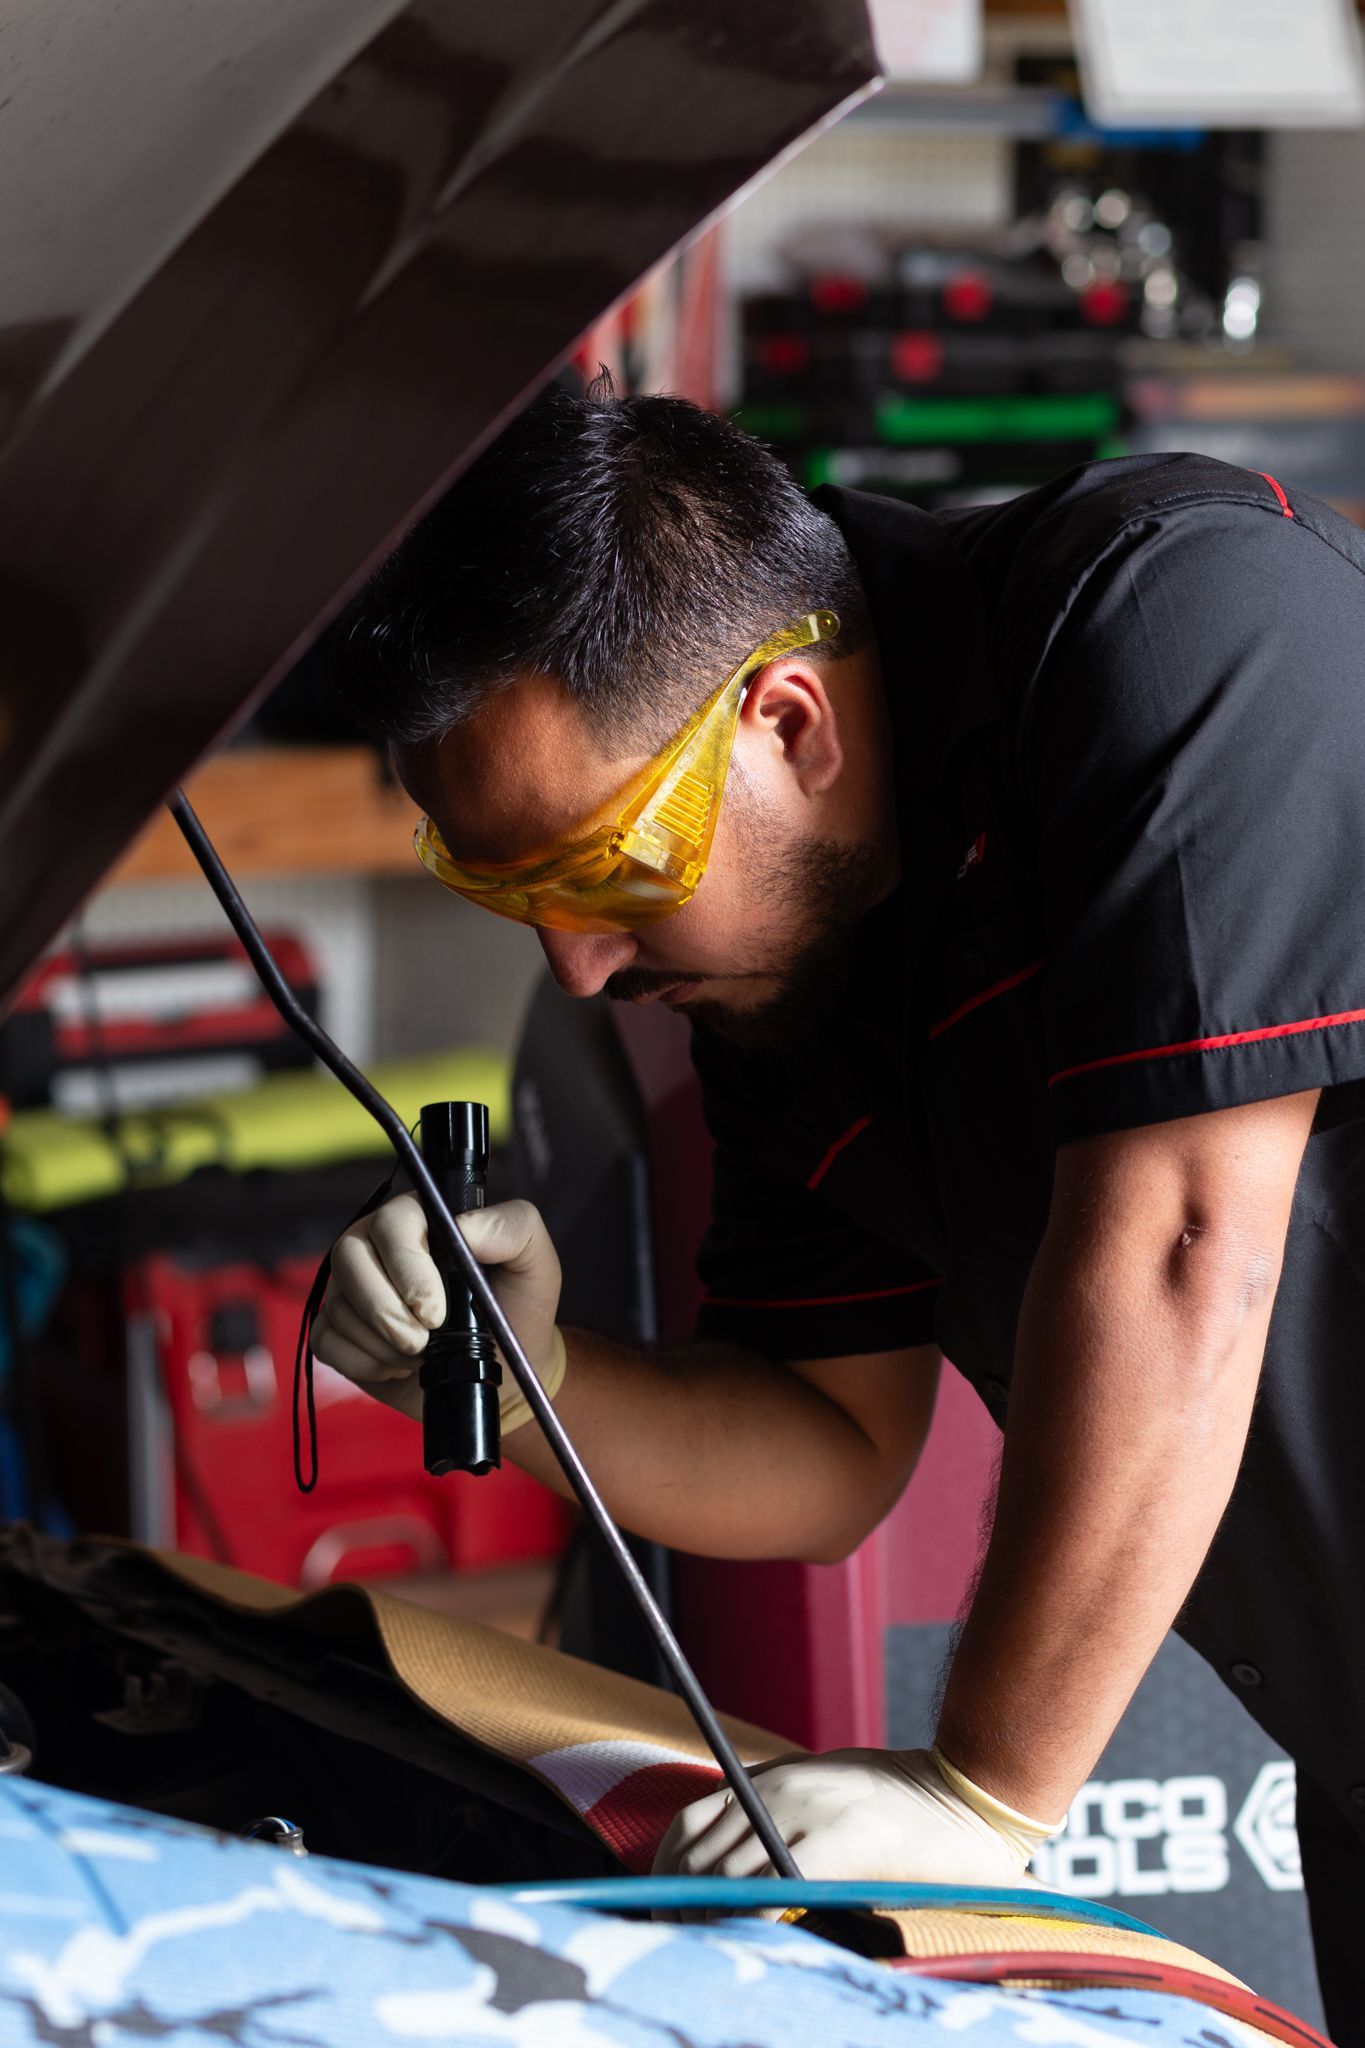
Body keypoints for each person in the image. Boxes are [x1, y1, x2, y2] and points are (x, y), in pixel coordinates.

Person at [311, 377, 1365, 2038]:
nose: (575, 969)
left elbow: (1181, 1241)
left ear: (788, 721)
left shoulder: (1181, 623)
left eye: (601, 876)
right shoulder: (785, 968)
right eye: (509, 892)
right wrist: (530, 1379)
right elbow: (823, 1448)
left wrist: (984, 1794)